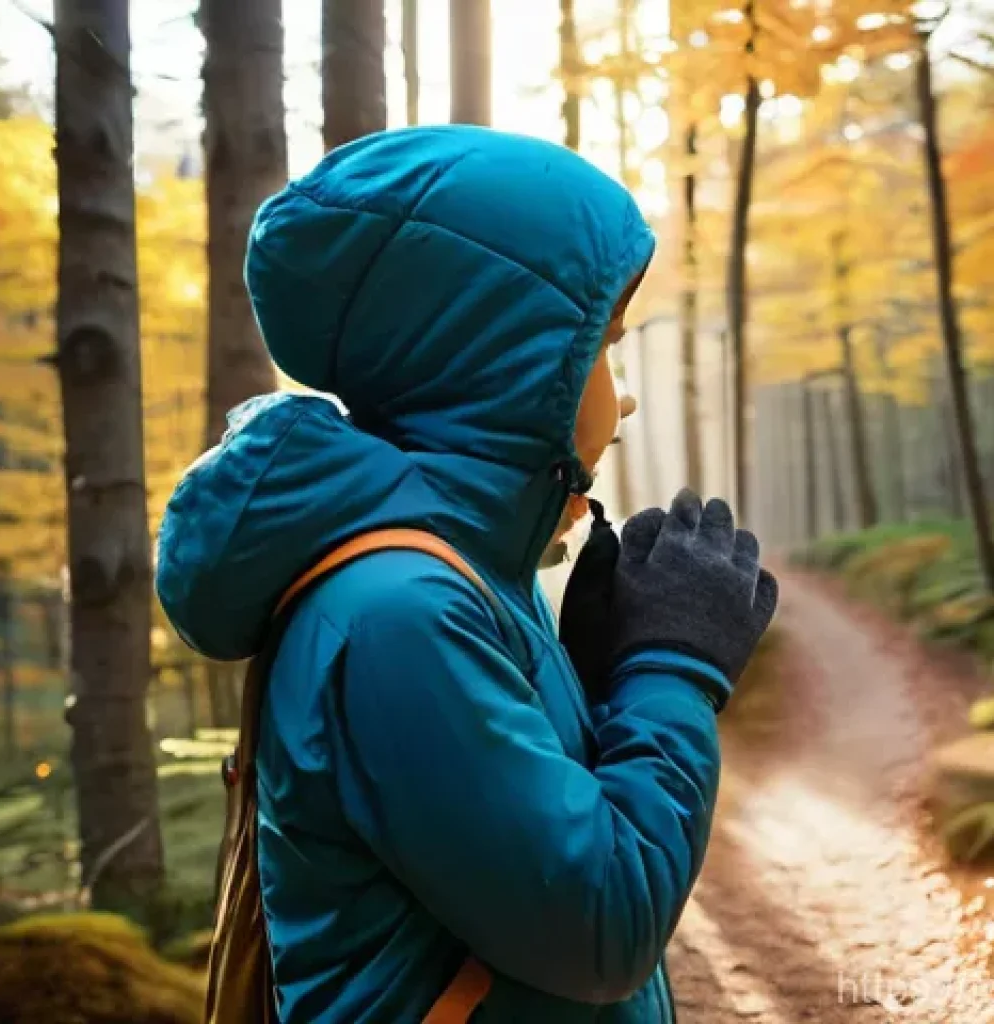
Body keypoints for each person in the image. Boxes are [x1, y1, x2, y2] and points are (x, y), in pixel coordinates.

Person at [156, 126, 778, 1023]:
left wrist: (606, 686)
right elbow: (600, 926)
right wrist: (672, 670)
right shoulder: (394, 617)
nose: (624, 391)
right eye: (602, 347)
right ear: (505, 371)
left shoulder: (466, 580)